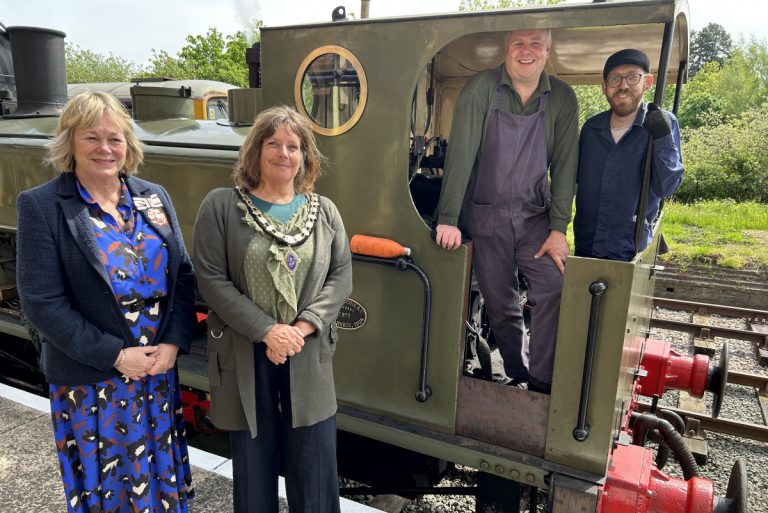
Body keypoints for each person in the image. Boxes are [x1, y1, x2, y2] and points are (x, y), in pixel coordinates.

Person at [16, 91, 196, 513]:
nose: (105, 148)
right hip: (95, 380)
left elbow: (183, 276)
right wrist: (116, 356)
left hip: (156, 372)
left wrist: (172, 343)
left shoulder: (153, 197)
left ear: (128, 145)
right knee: (111, 491)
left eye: (115, 138)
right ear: (69, 143)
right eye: (91, 138)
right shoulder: (42, 206)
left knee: (159, 482)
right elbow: (41, 302)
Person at [193, 105, 353, 513]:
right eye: (274, 144)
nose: (284, 153)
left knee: (315, 463)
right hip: (246, 351)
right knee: (253, 464)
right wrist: (267, 330)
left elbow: (340, 277)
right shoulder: (222, 206)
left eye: (294, 146)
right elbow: (211, 279)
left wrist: (299, 329)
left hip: (306, 350)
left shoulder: (325, 212)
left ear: (305, 156)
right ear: (255, 151)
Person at [434, 29, 579, 394]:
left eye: (535, 44)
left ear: (548, 49)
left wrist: (559, 229)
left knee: (554, 286)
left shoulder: (562, 98)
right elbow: (461, 156)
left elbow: (566, 168)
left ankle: (542, 381)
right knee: (500, 303)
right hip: (486, 216)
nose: (526, 52)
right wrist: (448, 218)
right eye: (518, 43)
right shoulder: (481, 89)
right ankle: (516, 370)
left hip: (535, 219)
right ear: (506, 49)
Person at [574, 49, 684, 261]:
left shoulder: (663, 123)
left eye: (633, 77)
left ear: (648, 82)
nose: (623, 86)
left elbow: (667, 186)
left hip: (631, 249)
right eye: (615, 79)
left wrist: (661, 138)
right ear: (604, 87)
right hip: (587, 246)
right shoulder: (591, 129)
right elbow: (572, 181)